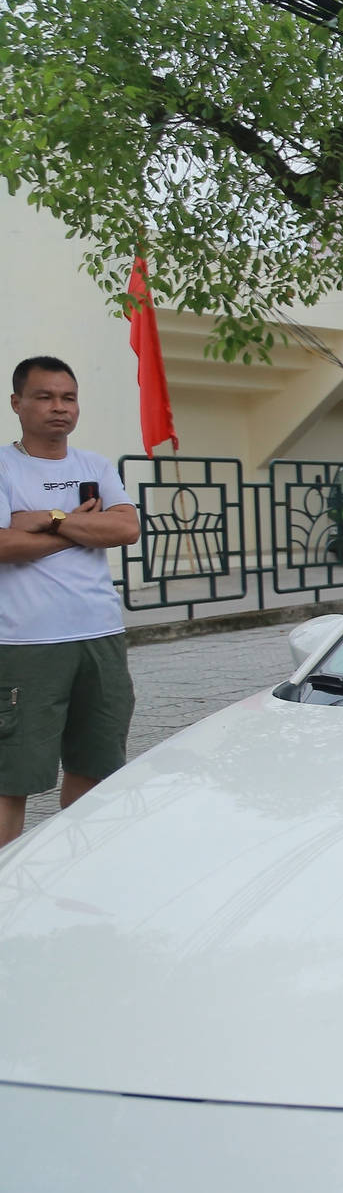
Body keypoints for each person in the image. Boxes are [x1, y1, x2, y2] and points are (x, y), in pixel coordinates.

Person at [0, 357, 142, 848]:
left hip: (99, 636)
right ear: (17, 403)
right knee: (11, 775)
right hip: (25, 643)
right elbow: (2, 545)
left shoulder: (94, 465)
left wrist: (48, 519)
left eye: (68, 397)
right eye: (44, 397)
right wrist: (84, 531)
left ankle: (73, 868)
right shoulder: (3, 465)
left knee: (97, 764)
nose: (59, 407)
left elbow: (125, 528)